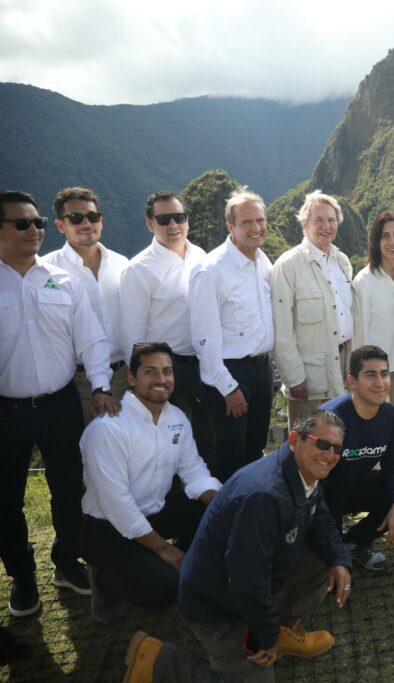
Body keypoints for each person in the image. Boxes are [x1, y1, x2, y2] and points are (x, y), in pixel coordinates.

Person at [123, 410, 353, 681]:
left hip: (245, 584)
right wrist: (265, 635)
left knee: (324, 558)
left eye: (337, 448)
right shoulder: (265, 496)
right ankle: (157, 661)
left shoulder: (304, 472)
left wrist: (339, 559)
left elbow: (321, 520)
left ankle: (279, 627)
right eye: (322, 444)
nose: (330, 455)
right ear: (294, 440)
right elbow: (247, 580)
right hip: (215, 605)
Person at [1, 190, 117, 612]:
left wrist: (101, 387)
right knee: (6, 500)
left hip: (62, 403)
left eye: (38, 224)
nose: (34, 230)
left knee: (70, 489)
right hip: (7, 412)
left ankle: (67, 562)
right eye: (22, 223)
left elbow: (90, 338)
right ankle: (22, 575)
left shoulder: (62, 281)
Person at [80, 342, 221, 623]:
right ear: (132, 378)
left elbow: (193, 471)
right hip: (108, 527)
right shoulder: (108, 428)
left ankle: (173, 563)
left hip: (154, 512)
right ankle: (104, 579)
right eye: (151, 371)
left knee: (217, 513)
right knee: (162, 590)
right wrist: (164, 549)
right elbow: (118, 505)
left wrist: (227, 506)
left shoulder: (177, 418)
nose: (161, 379)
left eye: (167, 371)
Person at [189, 186, 275, 481]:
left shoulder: (262, 261)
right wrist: (228, 387)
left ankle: (253, 519)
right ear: (230, 226)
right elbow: (204, 338)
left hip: (262, 369)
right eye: (247, 222)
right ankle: (226, 523)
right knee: (229, 458)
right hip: (230, 374)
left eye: (260, 220)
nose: (256, 228)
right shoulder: (211, 270)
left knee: (254, 451)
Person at [119, 191, 213, 461]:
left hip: (206, 365)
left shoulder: (200, 256)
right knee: (168, 447)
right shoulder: (139, 269)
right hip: (169, 370)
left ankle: (204, 500)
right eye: (164, 220)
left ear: (187, 220)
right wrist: (146, 384)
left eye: (179, 217)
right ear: (150, 224)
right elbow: (132, 336)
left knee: (208, 441)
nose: (173, 225)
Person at [321, 346, 394, 572]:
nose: (380, 382)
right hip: (320, 497)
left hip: (353, 487)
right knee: (323, 572)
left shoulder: (392, 418)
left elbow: (393, 467)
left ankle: (355, 543)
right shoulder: (330, 420)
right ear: (352, 382)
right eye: (370, 375)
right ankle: (328, 549)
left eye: (384, 374)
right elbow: (311, 482)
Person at [42, 186, 130, 422]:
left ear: (101, 221)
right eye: (76, 218)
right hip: (80, 380)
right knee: (90, 449)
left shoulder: (122, 264)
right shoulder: (46, 272)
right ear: (60, 225)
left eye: (92, 217)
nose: (86, 224)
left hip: (127, 373)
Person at [270, 190, 354, 428]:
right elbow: (281, 329)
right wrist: (294, 377)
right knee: (307, 445)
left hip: (340, 367)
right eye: (319, 220)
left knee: (336, 440)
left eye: (331, 220)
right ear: (304, 223)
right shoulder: (288, 265)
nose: (326, 226)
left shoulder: (342, 262)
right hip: (308, 377)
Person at [353, 210, 394, 411]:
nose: (392, 241)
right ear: (375, 241)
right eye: (385, 236)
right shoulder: (364, 282)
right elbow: (360, 333)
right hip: (376, 370)